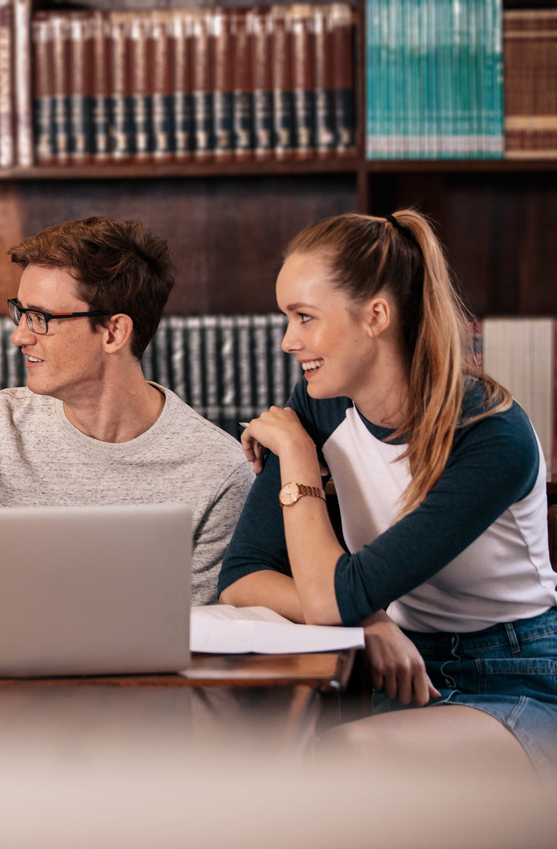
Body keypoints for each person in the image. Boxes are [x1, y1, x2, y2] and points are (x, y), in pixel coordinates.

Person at [218, 209, 556, 776]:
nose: (286, 341)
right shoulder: (319, 407)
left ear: (376, 315)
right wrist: (369, 619)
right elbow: (243, 578)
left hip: (518, 676)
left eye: (304, 317)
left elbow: (328, 600)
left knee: (341, 760)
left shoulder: (492, 435)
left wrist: (298, 455)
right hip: (395, 661)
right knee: (262, 749)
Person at [0, 216, 255, 608]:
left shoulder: (218, 470)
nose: (19, 336)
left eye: (41, 318)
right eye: (21, 312)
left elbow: (200, 628)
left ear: (114, 332)